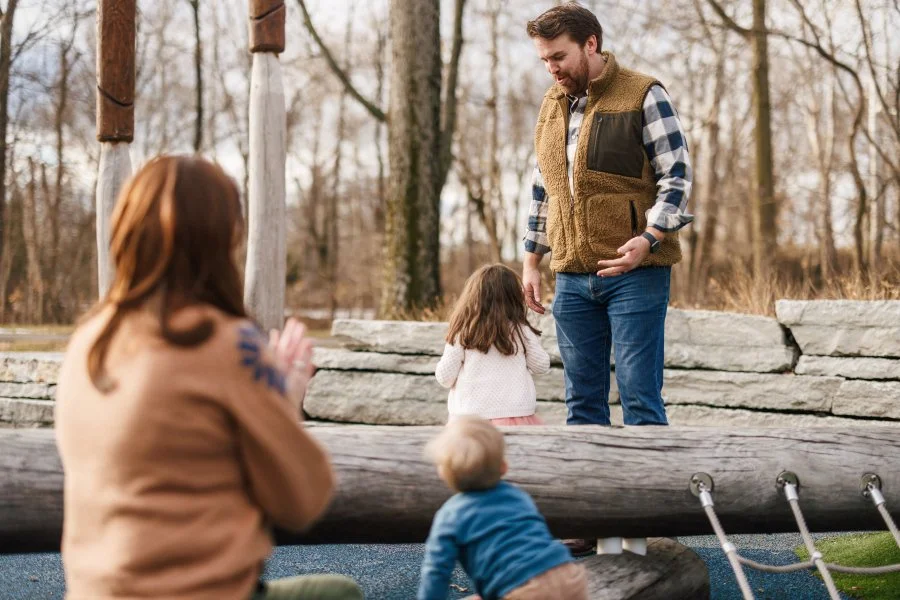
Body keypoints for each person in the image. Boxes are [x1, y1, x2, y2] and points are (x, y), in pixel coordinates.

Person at [54, 156, 362, 600]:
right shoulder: (226, 343)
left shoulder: (89, 339)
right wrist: (285, 396)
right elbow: (305, 498)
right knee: (338, 592)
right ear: (222, 238)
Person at [522, 3, 694, 557]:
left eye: (560, 56)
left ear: (590, 45)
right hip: (571, 277)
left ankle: (651, 516)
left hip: (635, 274)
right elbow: (542, 185)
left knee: (641, 399)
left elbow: (677, 175)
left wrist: (648, 238)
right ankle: (586, 519)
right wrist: (531, 256)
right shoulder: (551, 106)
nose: (551, 67)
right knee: (582, 403)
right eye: (545, 58)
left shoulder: (644, 93)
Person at [417, 416, 587, 600]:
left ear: (443, 473)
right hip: (566, 573)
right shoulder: (517, 496)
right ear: (504, 467)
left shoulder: (450, 515)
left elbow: (436, 572)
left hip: (520, 589)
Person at [435, 264, 551, 425]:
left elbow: (445, 378)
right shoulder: (521, 330)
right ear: (514, 297)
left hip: (469, 419)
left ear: (472, 296)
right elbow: (541, 366)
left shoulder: (462, 331)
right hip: (515, 416)